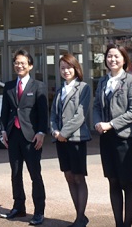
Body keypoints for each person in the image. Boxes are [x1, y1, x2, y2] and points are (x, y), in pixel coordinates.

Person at [93, 44, 132, 227]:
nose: (112, 59)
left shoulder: (131, 81)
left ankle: (127, 225)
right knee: (113, 182)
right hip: (106, 139)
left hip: (125, 140)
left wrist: (111, 124)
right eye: (109, 56)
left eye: (116, 56)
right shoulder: (102, 81)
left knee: (127, 183)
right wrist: (97, 122)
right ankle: (118, 223)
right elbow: (96, 106)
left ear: (124, 59)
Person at [0, 49, 50, 226]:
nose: (19, 66)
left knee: (35, 174)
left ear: (30, 65)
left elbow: (43, 113)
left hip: (31, 137)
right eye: (16, 63)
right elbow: (5, 111)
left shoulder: (38, 86)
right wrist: (4, 130)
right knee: (15, 173)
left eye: (22, 63)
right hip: (13, 135)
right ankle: (18, 207)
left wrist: (41, 132)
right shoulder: (9, 86)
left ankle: (39, 211)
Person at [50, 53, 92, 227]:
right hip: (61, 140)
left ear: (76, 68)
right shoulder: (60, 90)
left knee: (78, 177)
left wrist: (64, 133)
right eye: (62, 68)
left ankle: (81, 217)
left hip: (76, 139)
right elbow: (53, 114)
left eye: (69, 67)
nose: (66, 71)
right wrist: (54, 131)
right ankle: (79, 216)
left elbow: (80, 116)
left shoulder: (83, 88)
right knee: (68, 176)